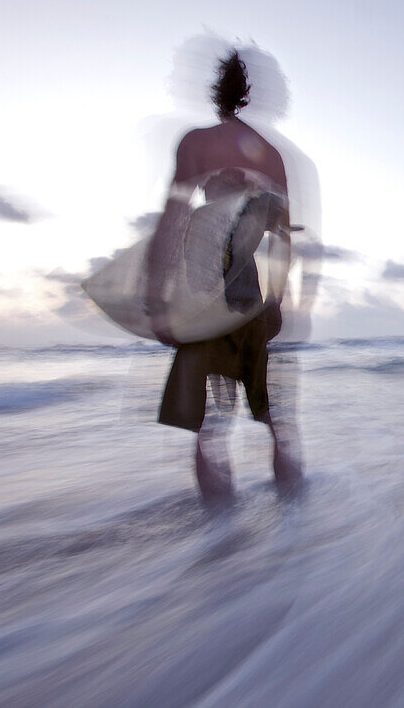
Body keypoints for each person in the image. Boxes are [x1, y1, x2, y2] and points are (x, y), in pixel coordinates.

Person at [146, 49, 305, 502]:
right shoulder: (271, 156)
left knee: (209, 425)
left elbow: (171, 224)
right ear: (252, 95)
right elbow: (282, 238)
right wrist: (277, 300)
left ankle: (220, 538)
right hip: (247, 290)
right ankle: (292, 520)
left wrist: (157, 299)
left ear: (217, 93)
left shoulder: (196, 143)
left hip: (199, 288)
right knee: (273, 416)